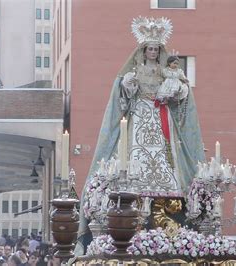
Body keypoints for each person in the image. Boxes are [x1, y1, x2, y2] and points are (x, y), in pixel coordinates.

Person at [76, 16, 205, 255]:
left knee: (168, 158)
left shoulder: (168, 72)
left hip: (161, 117)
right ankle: (131, 185)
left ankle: (168, 193)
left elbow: (182, 93)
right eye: (150, 49)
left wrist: (177, 89)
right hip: (140, 118)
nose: (154, 52)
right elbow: (123, 97)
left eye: (157, 49)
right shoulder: (134, 71)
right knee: (133, 154)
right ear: (143, 50)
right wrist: (128, 85)